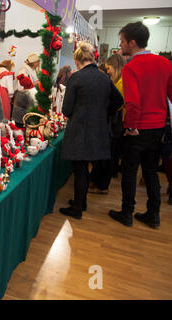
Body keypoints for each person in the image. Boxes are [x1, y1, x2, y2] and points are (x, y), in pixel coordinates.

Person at [109, 21, 172, 229]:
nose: (121, 45)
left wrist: (131, 126)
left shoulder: (132, 67)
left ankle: (127, 212)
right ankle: (153, 215)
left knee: (129, 171)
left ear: (132, 43)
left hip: (138, 128)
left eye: (122, 41)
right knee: (151, 171)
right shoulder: (165, 64)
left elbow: (133, 102)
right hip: (158, 127)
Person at [59, 42, 124, 219]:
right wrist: (104, 114)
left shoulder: (77, 78)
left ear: (78, 60)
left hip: (79, 130)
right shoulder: (104, 78)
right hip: (98, 131)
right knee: (85, 168)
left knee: (80, 169)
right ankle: (82, 202)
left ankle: (78, 209)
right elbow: (119, 101)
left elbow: (66, 110)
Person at [89, 54, 126, 194]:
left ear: (115, 67)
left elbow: (118, 102)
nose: (108, 71)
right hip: (113, 124)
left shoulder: (121, 82)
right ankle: (100, 183)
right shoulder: (117, 81)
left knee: (108, 157)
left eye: (109, 68)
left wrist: (106, 112)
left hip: (115, 125)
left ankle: (102, 185)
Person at [11, 53, 40, 125]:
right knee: (22, 122)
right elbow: (22, 87)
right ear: (34, 62)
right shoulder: (24, 70)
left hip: (28, 98)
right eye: (38, 62)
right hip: (23, 100)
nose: (39, 64)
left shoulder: (32, 70)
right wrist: (35, 83)